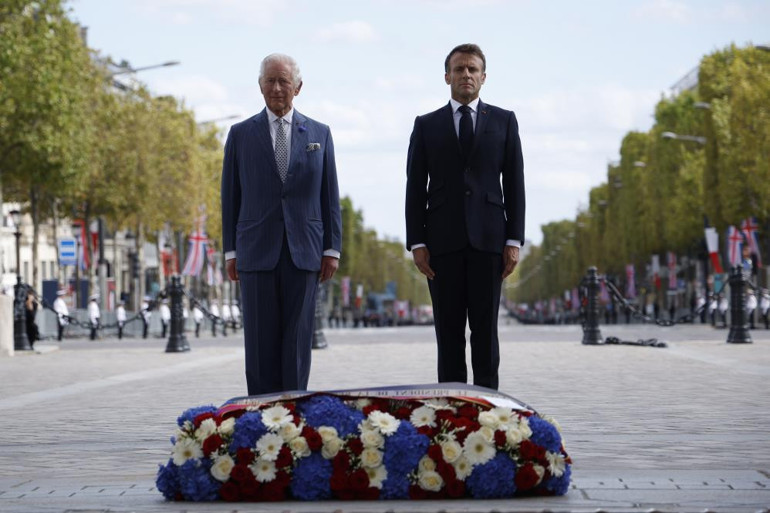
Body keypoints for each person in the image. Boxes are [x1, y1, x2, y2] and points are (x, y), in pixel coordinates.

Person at [405, 44, 525, 390]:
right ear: (447, 77)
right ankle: (452, 409)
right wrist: (417, 241)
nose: (466, 75)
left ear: (484, 77)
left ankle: (489, 409)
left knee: (486, 333)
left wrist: (513, 240)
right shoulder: (426, 125)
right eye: (459, 69)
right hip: (441, 245)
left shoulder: (504, 121)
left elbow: (515, 183)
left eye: (473, 69)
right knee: (449, 333)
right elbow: (415, 187)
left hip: (490, 242)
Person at [221, 53, 342, 395]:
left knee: (298, 341)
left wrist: (332, 248)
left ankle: (294, 416)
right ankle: (259, 418)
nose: (276, 88)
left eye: (283, 81)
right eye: (270, 81)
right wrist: (231, 251)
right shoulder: (240, 134)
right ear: (260, 86)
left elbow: (329, 195)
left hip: (305, 251)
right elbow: (230, 197)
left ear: (298, 87)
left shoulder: (321, 134)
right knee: (259, 343)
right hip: (255, 252)